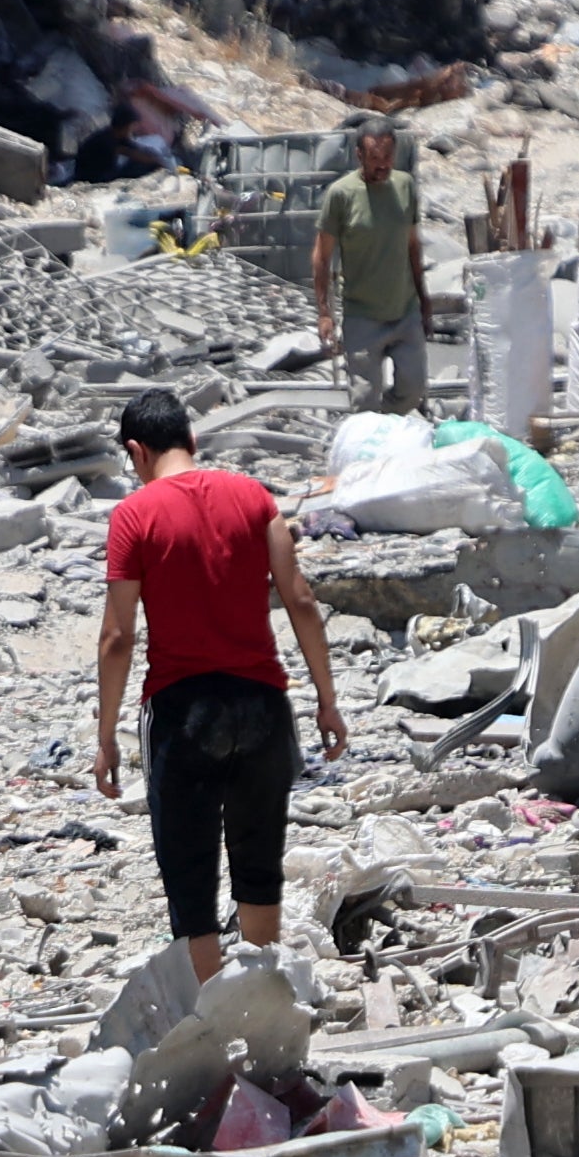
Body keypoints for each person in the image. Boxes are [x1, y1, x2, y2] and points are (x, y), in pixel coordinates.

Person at [93, 385, 347, 980]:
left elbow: (117, 638)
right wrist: (327, 703)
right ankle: (265, 1016)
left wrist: (106, 736)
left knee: (192, 885)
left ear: (136, 452)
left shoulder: (133, 516)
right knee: (259, 871)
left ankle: (215, 1034)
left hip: (183, 713)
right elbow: (301, 600)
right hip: (262, 703)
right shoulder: (255, 499)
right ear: (193, 440)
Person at [310, 123, 432, 413]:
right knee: (363, 401)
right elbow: (321, 256)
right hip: (363, 317)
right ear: (359, 155)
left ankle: (386, 428)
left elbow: (413, 246)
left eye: (388, 156)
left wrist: (424, 299)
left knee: (413, 390)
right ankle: (369, 441)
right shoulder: (341, 195)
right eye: (375, 157)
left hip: (404, 312)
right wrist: (324, 313)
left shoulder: (405, 186)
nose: (382, 165)